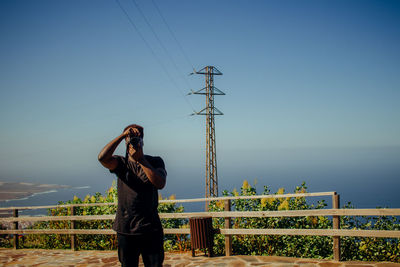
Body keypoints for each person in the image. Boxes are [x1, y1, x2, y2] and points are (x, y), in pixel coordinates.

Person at [98, 124, 167, 267]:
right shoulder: (121, 163)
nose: (134, 142)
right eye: (130, 139)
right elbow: (102, 158)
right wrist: (123, 135)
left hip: (151, 228)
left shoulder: (155, 161)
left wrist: (141, 159)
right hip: (125, 229)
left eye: (137, 139)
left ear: (142, 141)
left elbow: (160, 183)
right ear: (125, 142)